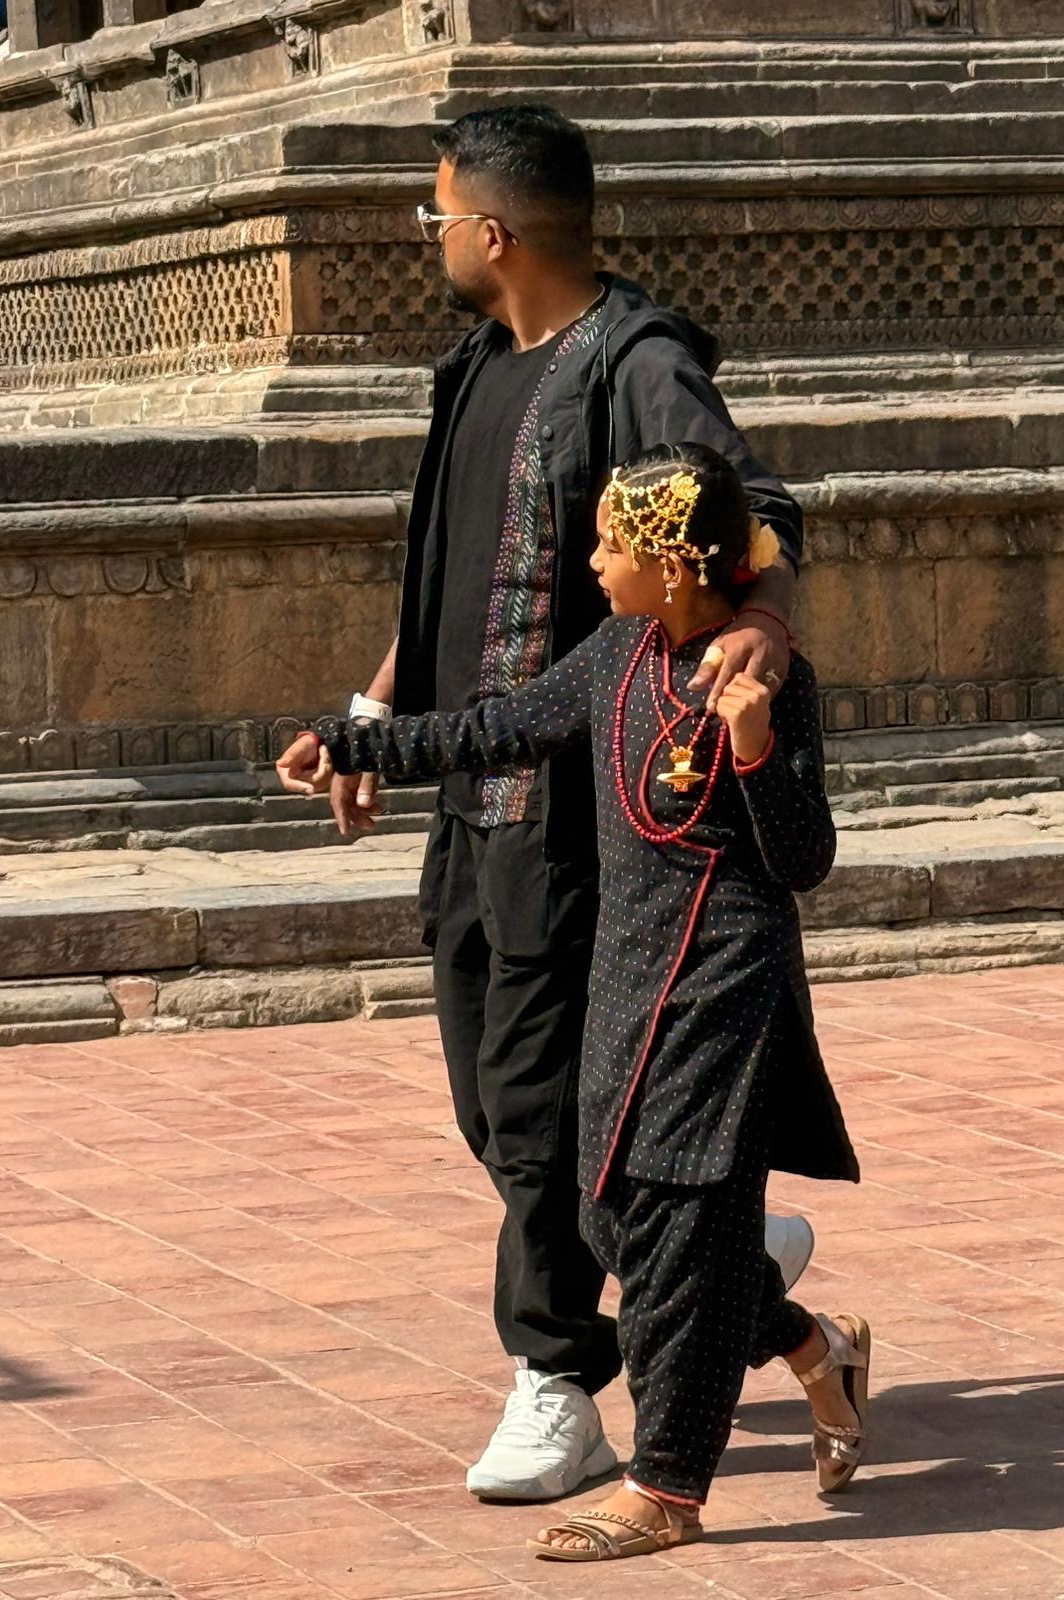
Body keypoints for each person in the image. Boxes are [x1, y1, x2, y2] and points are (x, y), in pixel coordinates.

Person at [320, 102, 816, 1501]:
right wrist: (373, 721)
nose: (427, 240)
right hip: (470, 798)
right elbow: (455, 584)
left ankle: (556, 1376)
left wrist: (762, 622)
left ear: (492, 231)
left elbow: (755, 506)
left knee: (538, 1120)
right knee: (491, 1106)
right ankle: (713, 1253)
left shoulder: (636, 362)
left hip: (585, 821)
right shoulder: (476, 371)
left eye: (434, 219)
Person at [278, 443, 868, 1561]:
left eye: (611, 544)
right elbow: (489, 729)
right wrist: (351, 739)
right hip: (626, 979)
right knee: (611, 1221)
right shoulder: (614, 657)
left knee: (685, 1226)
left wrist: (752, 750)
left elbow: (804, 861)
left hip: (725, 989)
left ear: (674, 565)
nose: (593, 562)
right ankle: (811, 1344)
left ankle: (666, 1488)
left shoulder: (774, 686)